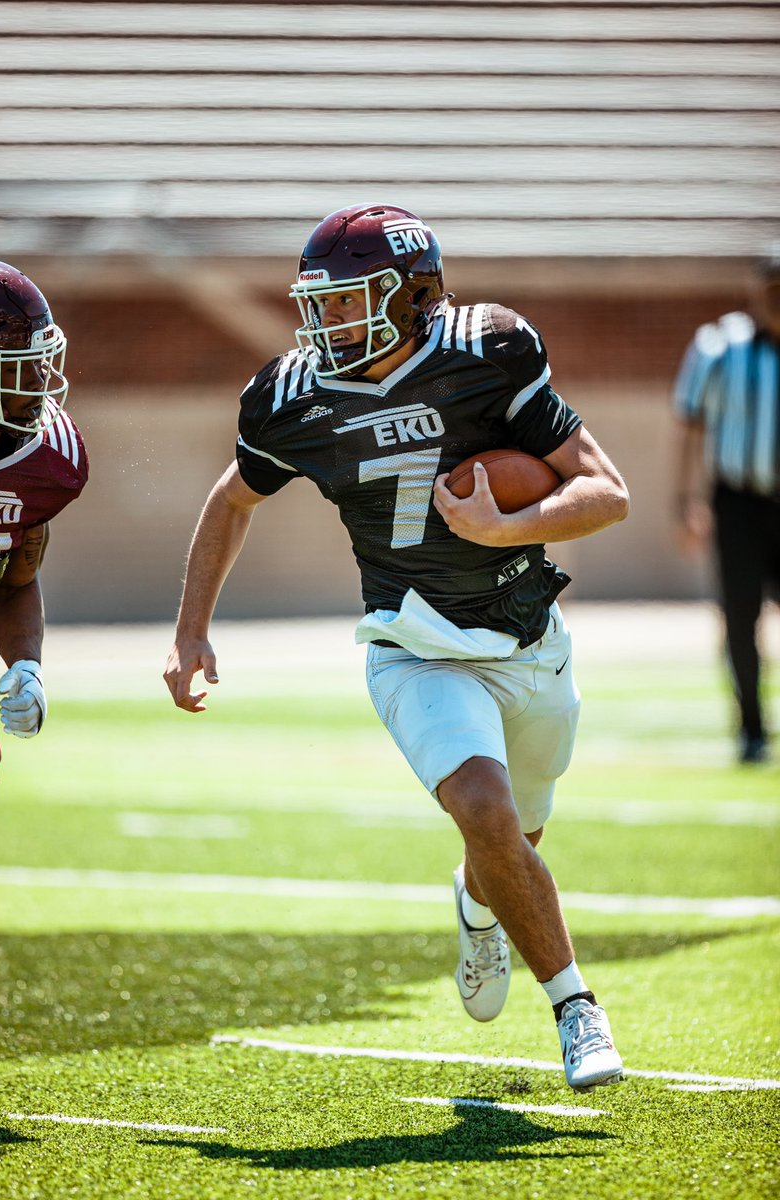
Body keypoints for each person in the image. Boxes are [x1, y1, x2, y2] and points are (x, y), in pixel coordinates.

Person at [164, 204, 629, 1093]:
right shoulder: (292, 395)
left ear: (414, 297)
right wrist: (191, 633)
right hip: (413, 644)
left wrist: (510, 527)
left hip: (531, 643)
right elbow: (231, 500)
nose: (328, 322)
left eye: (350, 302)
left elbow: (607, 494)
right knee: (487, 813)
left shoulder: (487, 353)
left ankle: (475, 902)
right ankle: (577, 1008)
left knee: (511, 844)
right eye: (322, 304)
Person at [0, 259, 88, 899]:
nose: (42, 383)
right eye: (21, 367)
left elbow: (16, 577)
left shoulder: (48, 461)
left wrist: (27, 663)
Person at [673, 255, 780, 765]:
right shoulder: (720, 346)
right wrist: (685, 500)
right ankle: (752, 729)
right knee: (740, 618)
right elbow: (690, 425)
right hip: (739, 503)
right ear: (757, 291)